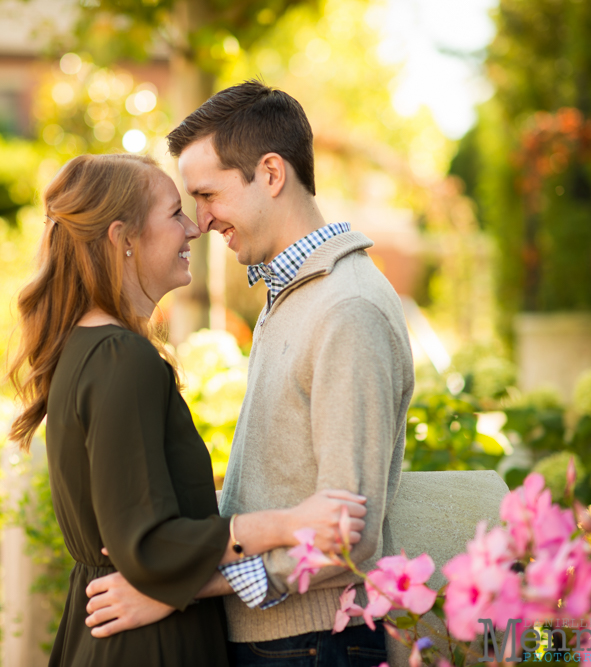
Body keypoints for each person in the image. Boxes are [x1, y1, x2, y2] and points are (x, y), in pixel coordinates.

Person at [85, 82, 415, 667]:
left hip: (314, 647)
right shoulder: (293, 294)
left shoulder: (347, 310)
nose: (200, 220)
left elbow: (346, 539)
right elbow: (283, 484)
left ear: (269, 173)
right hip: (286, 645)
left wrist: (175, 586)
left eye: (208, 194)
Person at [6, 152, 371, 667]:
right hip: (148, 645)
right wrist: (291, 523)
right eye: (175, 212)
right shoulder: (121, 359)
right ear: (123, 238)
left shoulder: (86, 350)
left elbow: (138, 517)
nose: (194, 229)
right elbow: (149, 544)